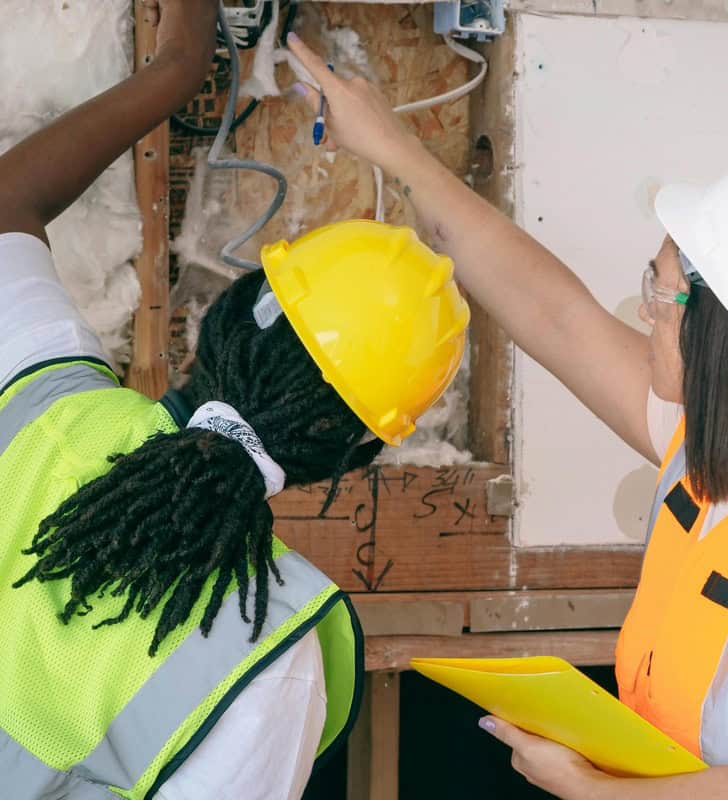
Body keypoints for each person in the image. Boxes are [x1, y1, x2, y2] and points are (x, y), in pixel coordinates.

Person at [287, 33, 728, 800]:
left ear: (725, 340)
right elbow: (554, 314)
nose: (645, 308)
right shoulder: (722, 457)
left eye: (662, 292)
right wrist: (397, 152)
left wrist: (584, 788)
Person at [0, 3, 469, 798]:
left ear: (217, 326)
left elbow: (7, 203)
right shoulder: (265, 651)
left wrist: (176, 68)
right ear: (354, 454)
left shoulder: (48, 406)